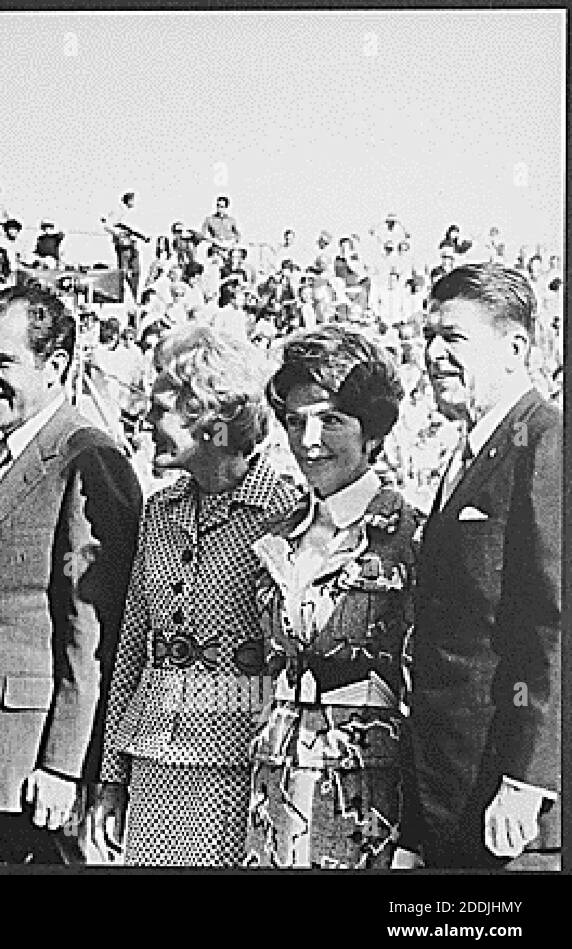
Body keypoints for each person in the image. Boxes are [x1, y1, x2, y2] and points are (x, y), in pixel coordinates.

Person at [0, 285, 142, 863]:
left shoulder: (87, 459)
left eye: (2, 361)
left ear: (57, 365)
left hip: (30, 769)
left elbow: (92, 632)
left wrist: (63, 765)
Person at [89, 325, 298, 866]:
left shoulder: (286, 513)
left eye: (161, 409)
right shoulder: (158, 511)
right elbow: (135, 646)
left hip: (241, 764)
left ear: (210, 418)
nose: (146, 422)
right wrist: (113, 774)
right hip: (153, 761)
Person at [395, 265, 561, 870]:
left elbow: (554, 623)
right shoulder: (470, 453)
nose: (434, 354)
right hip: (452, 794)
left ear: (516, 347)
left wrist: (526, 778)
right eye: (430, 336)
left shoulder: (548, 444)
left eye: (455, 338)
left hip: (510, 809)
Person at [244, 325, 418, 868]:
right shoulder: (274, 535)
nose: (308, 440)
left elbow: (427, 694)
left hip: (366, 799)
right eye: (295, 422)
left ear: (372, 431)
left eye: (330, 420)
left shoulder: (410, 537)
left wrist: (415, 836)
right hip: (275, 791)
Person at [103, 192, 150, 301]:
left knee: (135, 272)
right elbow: (107, 225)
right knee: (124, 272)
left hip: (132, 244)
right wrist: (118, 233)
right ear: (129, 200)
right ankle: (124, 297)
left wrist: (143, 237)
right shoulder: (119, 210)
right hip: (124, 245)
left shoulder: (128, 213)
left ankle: (134, 297)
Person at [201, 195, 241, 261]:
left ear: (226, 207)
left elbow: (238, 235)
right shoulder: (209, 219)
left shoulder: (231, 220)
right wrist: (213, 240)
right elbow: (203, 234)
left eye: (222, 207)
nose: (219, 208)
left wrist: (232, 242)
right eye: (218, 206)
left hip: (229, 248)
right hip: (216, 249)